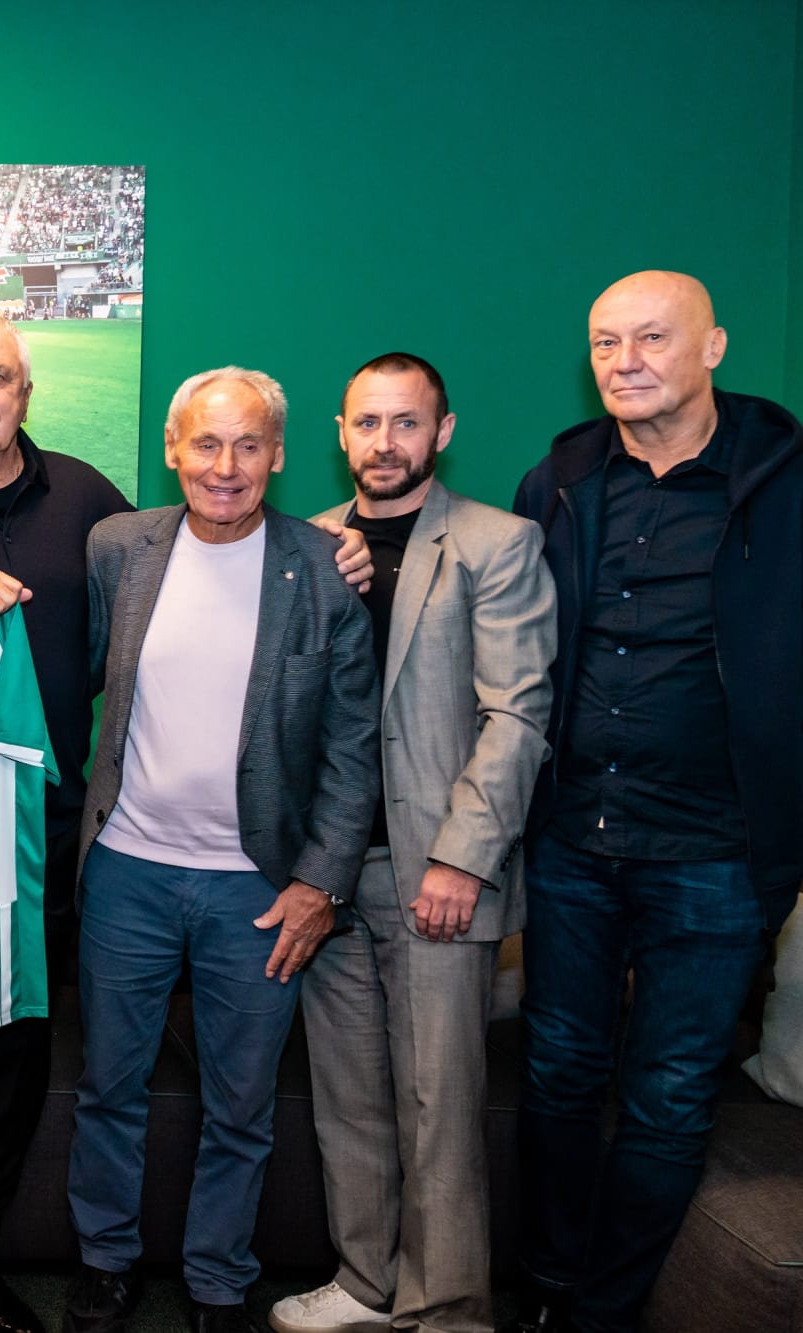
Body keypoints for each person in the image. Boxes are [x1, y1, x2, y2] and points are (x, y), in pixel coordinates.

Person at [0, 317, 374, 1333]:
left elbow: (313, 696)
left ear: (24, 392)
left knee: (11, 1053)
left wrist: (343, 549)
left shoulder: (90, 509)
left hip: (40, 831)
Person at [506, 271, 802, 1333]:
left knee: (670, 1093)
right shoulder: (559, 479)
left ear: (711, 347)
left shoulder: (784, 480)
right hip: (572, 840)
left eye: (650, 338)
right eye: (603, 342)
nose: (623, 361)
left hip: (718, 853)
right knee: (555, 1071)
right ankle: (546, 1286)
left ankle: (606, 1309)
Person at [63, 368, 378, 1333]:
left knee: (241, 1105)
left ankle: (216, 1281)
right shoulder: (118, 548)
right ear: (174, 449)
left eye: (248, 444)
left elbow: (353, 744)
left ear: (278, 454)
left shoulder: (326, 567)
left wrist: (322, 881)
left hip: (259, 888)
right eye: (206, 443)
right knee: (109, 1087)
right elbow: (69, 672)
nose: (225, 466)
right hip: (127, 869)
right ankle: (104, 1262)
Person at [271, 354, 555, 1333]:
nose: (384, 442)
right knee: (347, 1098)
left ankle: (446, 1310)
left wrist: (460, 858)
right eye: (366, 423)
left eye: (405, 423)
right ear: (340, 433)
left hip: (436, 875)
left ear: (441, 432)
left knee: (439, 1105)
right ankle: (364, 1283)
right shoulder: (304, 543)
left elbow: (516, 716)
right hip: (328, 875)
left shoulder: (496, 542)